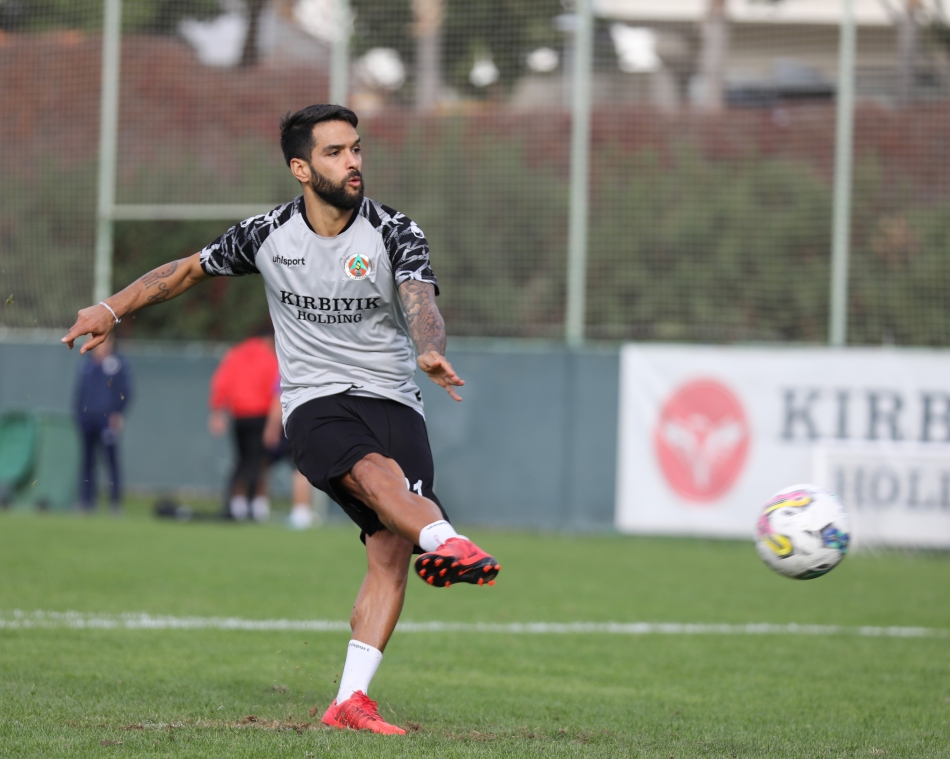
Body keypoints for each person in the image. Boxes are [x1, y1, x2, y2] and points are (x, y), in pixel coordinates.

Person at [61, 104, 501, 735]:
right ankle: (448, 542)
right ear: (301, 168)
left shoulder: (394, 230)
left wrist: (429, 347)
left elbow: (419, 299)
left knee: (389, 548)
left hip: (394, 397)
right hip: (315, 399)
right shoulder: (267, 234)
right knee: (374, 475)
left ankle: (350, 700)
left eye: (356, 148)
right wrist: (111, 308)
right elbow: (186, 270)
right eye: (334, 152)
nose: (352, 162)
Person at [208, 330, 280, 522]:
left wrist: (218, 410)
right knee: (257, 461)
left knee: (242, 459)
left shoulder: (235, 354)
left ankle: (236, 504)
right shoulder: (269, 357)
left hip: (239, 415)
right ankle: (254, 506)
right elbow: (276, 389)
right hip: (260, 414)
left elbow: (222, 382)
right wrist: (274, 425)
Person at [73, 333, 132, 513]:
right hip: (87, 420)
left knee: (111, 461)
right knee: (87, 462)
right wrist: (79, 414)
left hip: (107, 421)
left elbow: (125, 391)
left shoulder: (116, 365)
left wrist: (118, 413)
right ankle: (86, 501)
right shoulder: (86, 365)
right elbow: (80, 392)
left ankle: (115, 502)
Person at [262, 378, 317, 529]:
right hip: (307, 426)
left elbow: (277, 402)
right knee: (300, 470)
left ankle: (260, 508)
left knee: (296, 470)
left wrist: (272, 429)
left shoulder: (287, 374)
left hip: (288, 429)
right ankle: (301, 512)